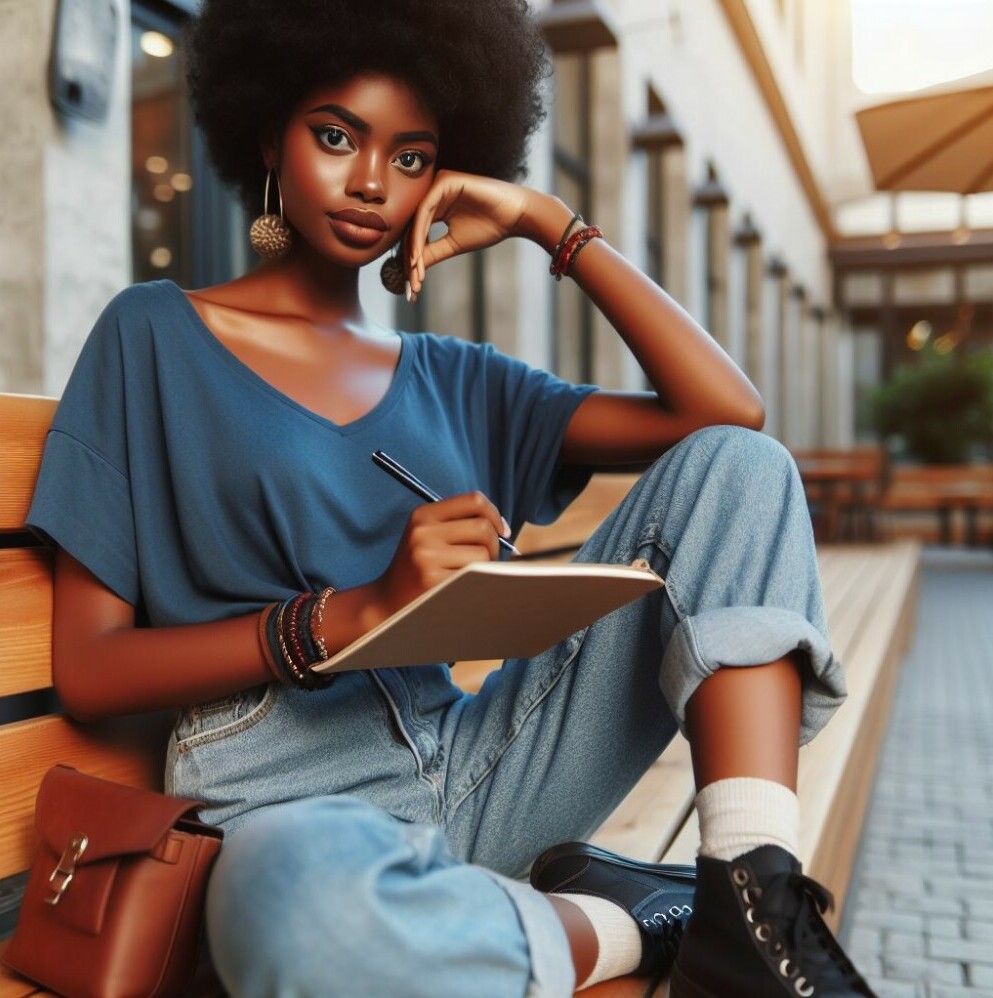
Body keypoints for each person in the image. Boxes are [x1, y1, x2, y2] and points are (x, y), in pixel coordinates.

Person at [26, 1, 876, 995]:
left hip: (487, 761)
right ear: (268, 130)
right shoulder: (153, 338)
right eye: (336, 136)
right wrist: (359, 613)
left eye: (414, 155)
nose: (372, 183)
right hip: (285, 807)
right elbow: (88, 668)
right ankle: (621, 922)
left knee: (739, 466)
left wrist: (544, 222)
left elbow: (730, 413)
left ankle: (751, 899)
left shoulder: (457, 378)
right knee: (295, 908)